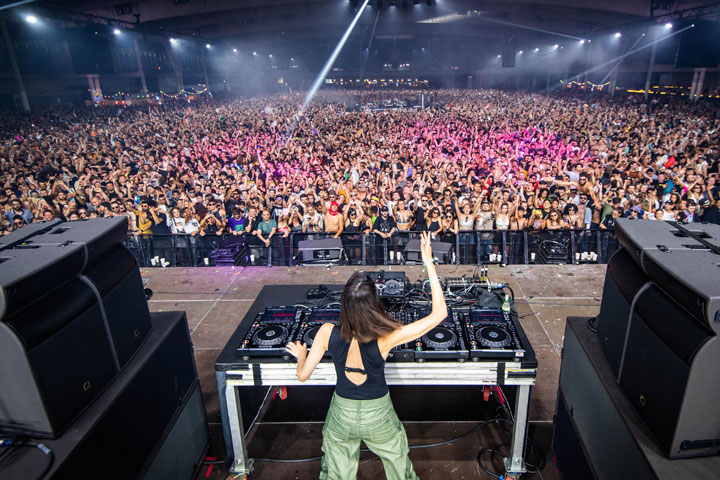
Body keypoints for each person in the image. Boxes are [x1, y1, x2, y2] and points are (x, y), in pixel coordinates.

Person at [285, 232, 446, 480]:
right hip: (378, 415)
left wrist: (302, 355)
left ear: (344, 304)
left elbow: (303, 376)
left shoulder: (326, 332)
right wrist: (428, 261)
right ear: (374, 303)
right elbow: (439, 314)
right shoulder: (387, 337)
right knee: (398, 467)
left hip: (342, 414)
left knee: (337, 474)